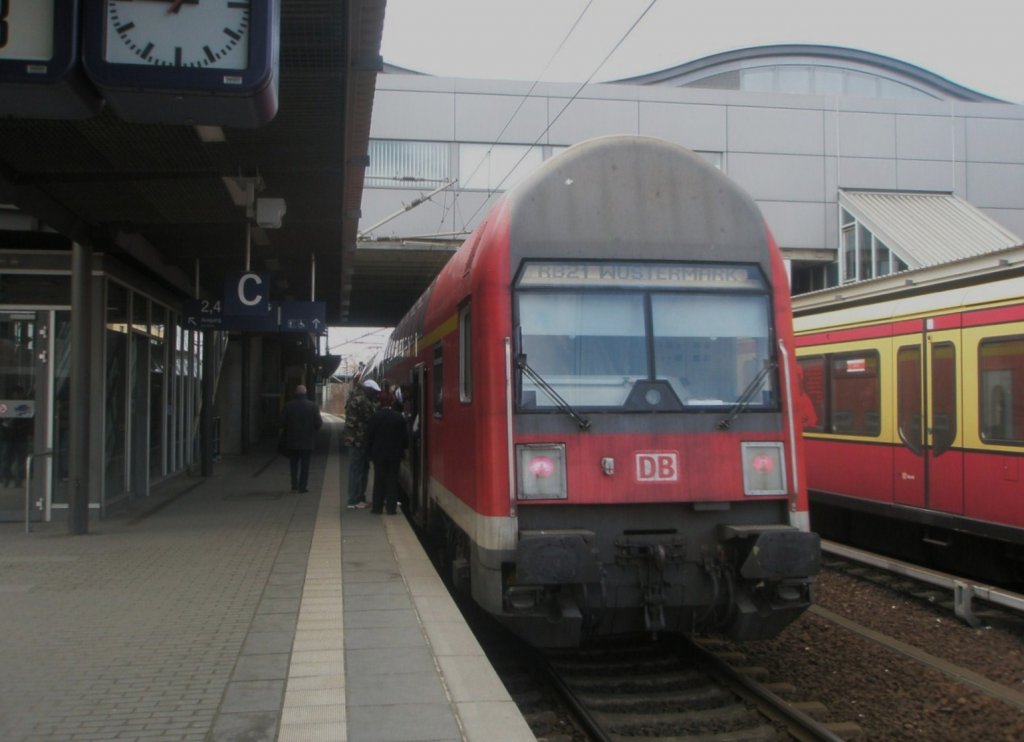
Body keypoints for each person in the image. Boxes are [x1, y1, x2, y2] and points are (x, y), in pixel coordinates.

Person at [366, 398, 409, 515]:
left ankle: (377, 508)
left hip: (378, 454)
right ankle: (391, 508)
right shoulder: (398, 417)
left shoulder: (375, 416)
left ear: (381, 403)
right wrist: (404, 450)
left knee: (379, 480)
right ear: (391, 403)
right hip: (395, 454)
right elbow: (404, 436)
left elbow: (369, 435)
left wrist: (369, 452)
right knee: (392, 480)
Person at [280, 384, 323, 493]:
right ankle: (302, 486)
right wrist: (312, 433)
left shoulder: (288, 406)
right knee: (305, 465)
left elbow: (282, 422)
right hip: (307, 442)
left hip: (292, 441)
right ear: (306, 393)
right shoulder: (313, 406)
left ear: (296, 393)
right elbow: (318, 423)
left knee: (293, 464)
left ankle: (294, 484)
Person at [344, 378, 380, 509]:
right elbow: (371, 417)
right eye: (374, 392)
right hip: (358, 441)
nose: (375, 395)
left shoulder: (355, 397)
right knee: (357, 471)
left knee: (360, 470)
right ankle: (354, 500)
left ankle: (359, 499)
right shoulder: (362, 400)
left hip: (357, 440)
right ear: (368, 390)